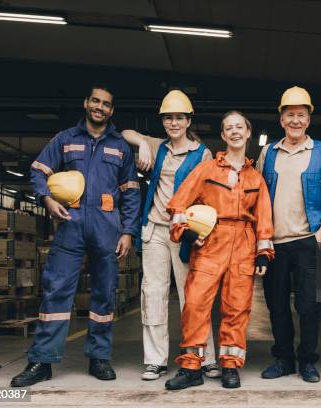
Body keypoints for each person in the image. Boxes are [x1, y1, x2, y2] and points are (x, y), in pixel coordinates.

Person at [11, 86, 140, 386]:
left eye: (106, 104)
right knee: (57, 291)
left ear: (111, 111)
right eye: (95, 101)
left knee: (104, 294)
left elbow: (131, 192)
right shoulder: (65, 139)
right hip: (70, 225)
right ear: (86, 103)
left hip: (107, 229)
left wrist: (129, 232)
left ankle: (99, 358)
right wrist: (46, 199)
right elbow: (38, 171)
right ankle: (42, 361)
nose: (100, 107)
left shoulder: (120, 147)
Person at [164, 111, 274, 390]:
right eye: (229, 128)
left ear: (248, 133)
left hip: (244, 243)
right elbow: (178, 204)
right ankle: (190, 368)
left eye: (240, 126)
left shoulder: (256, 178)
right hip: (211, 241)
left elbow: (264, 218)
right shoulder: (207, 170)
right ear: (223, 136)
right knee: (196, 304)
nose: (235, 132)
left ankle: (229, 365)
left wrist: (264, 252)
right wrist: (186, 233)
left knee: (237, 307)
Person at [121, 90, 219, 381]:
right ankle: (155, 360)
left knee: (194, 297)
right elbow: (125, 132)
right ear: (162, 120)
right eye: (168, 118)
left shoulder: (203, 154)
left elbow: (208, 195)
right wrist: (143, 144)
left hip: (186, 234)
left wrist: (201, 232)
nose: (173, 123)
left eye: (179, 117)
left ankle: (202, 357)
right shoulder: (157, 145)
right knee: (153, 294)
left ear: (189, 120)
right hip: (155, 231)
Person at [257, 86, 321, 383]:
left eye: (301, 115)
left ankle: (307, 361)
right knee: (276, 306)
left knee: (309, 306)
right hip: (275, 241)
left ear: (309, 119)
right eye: (290, 115)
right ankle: (284, 359)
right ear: (281, 119)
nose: (295, 121)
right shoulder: (268, 152)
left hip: (307, 239)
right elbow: (260, 195)